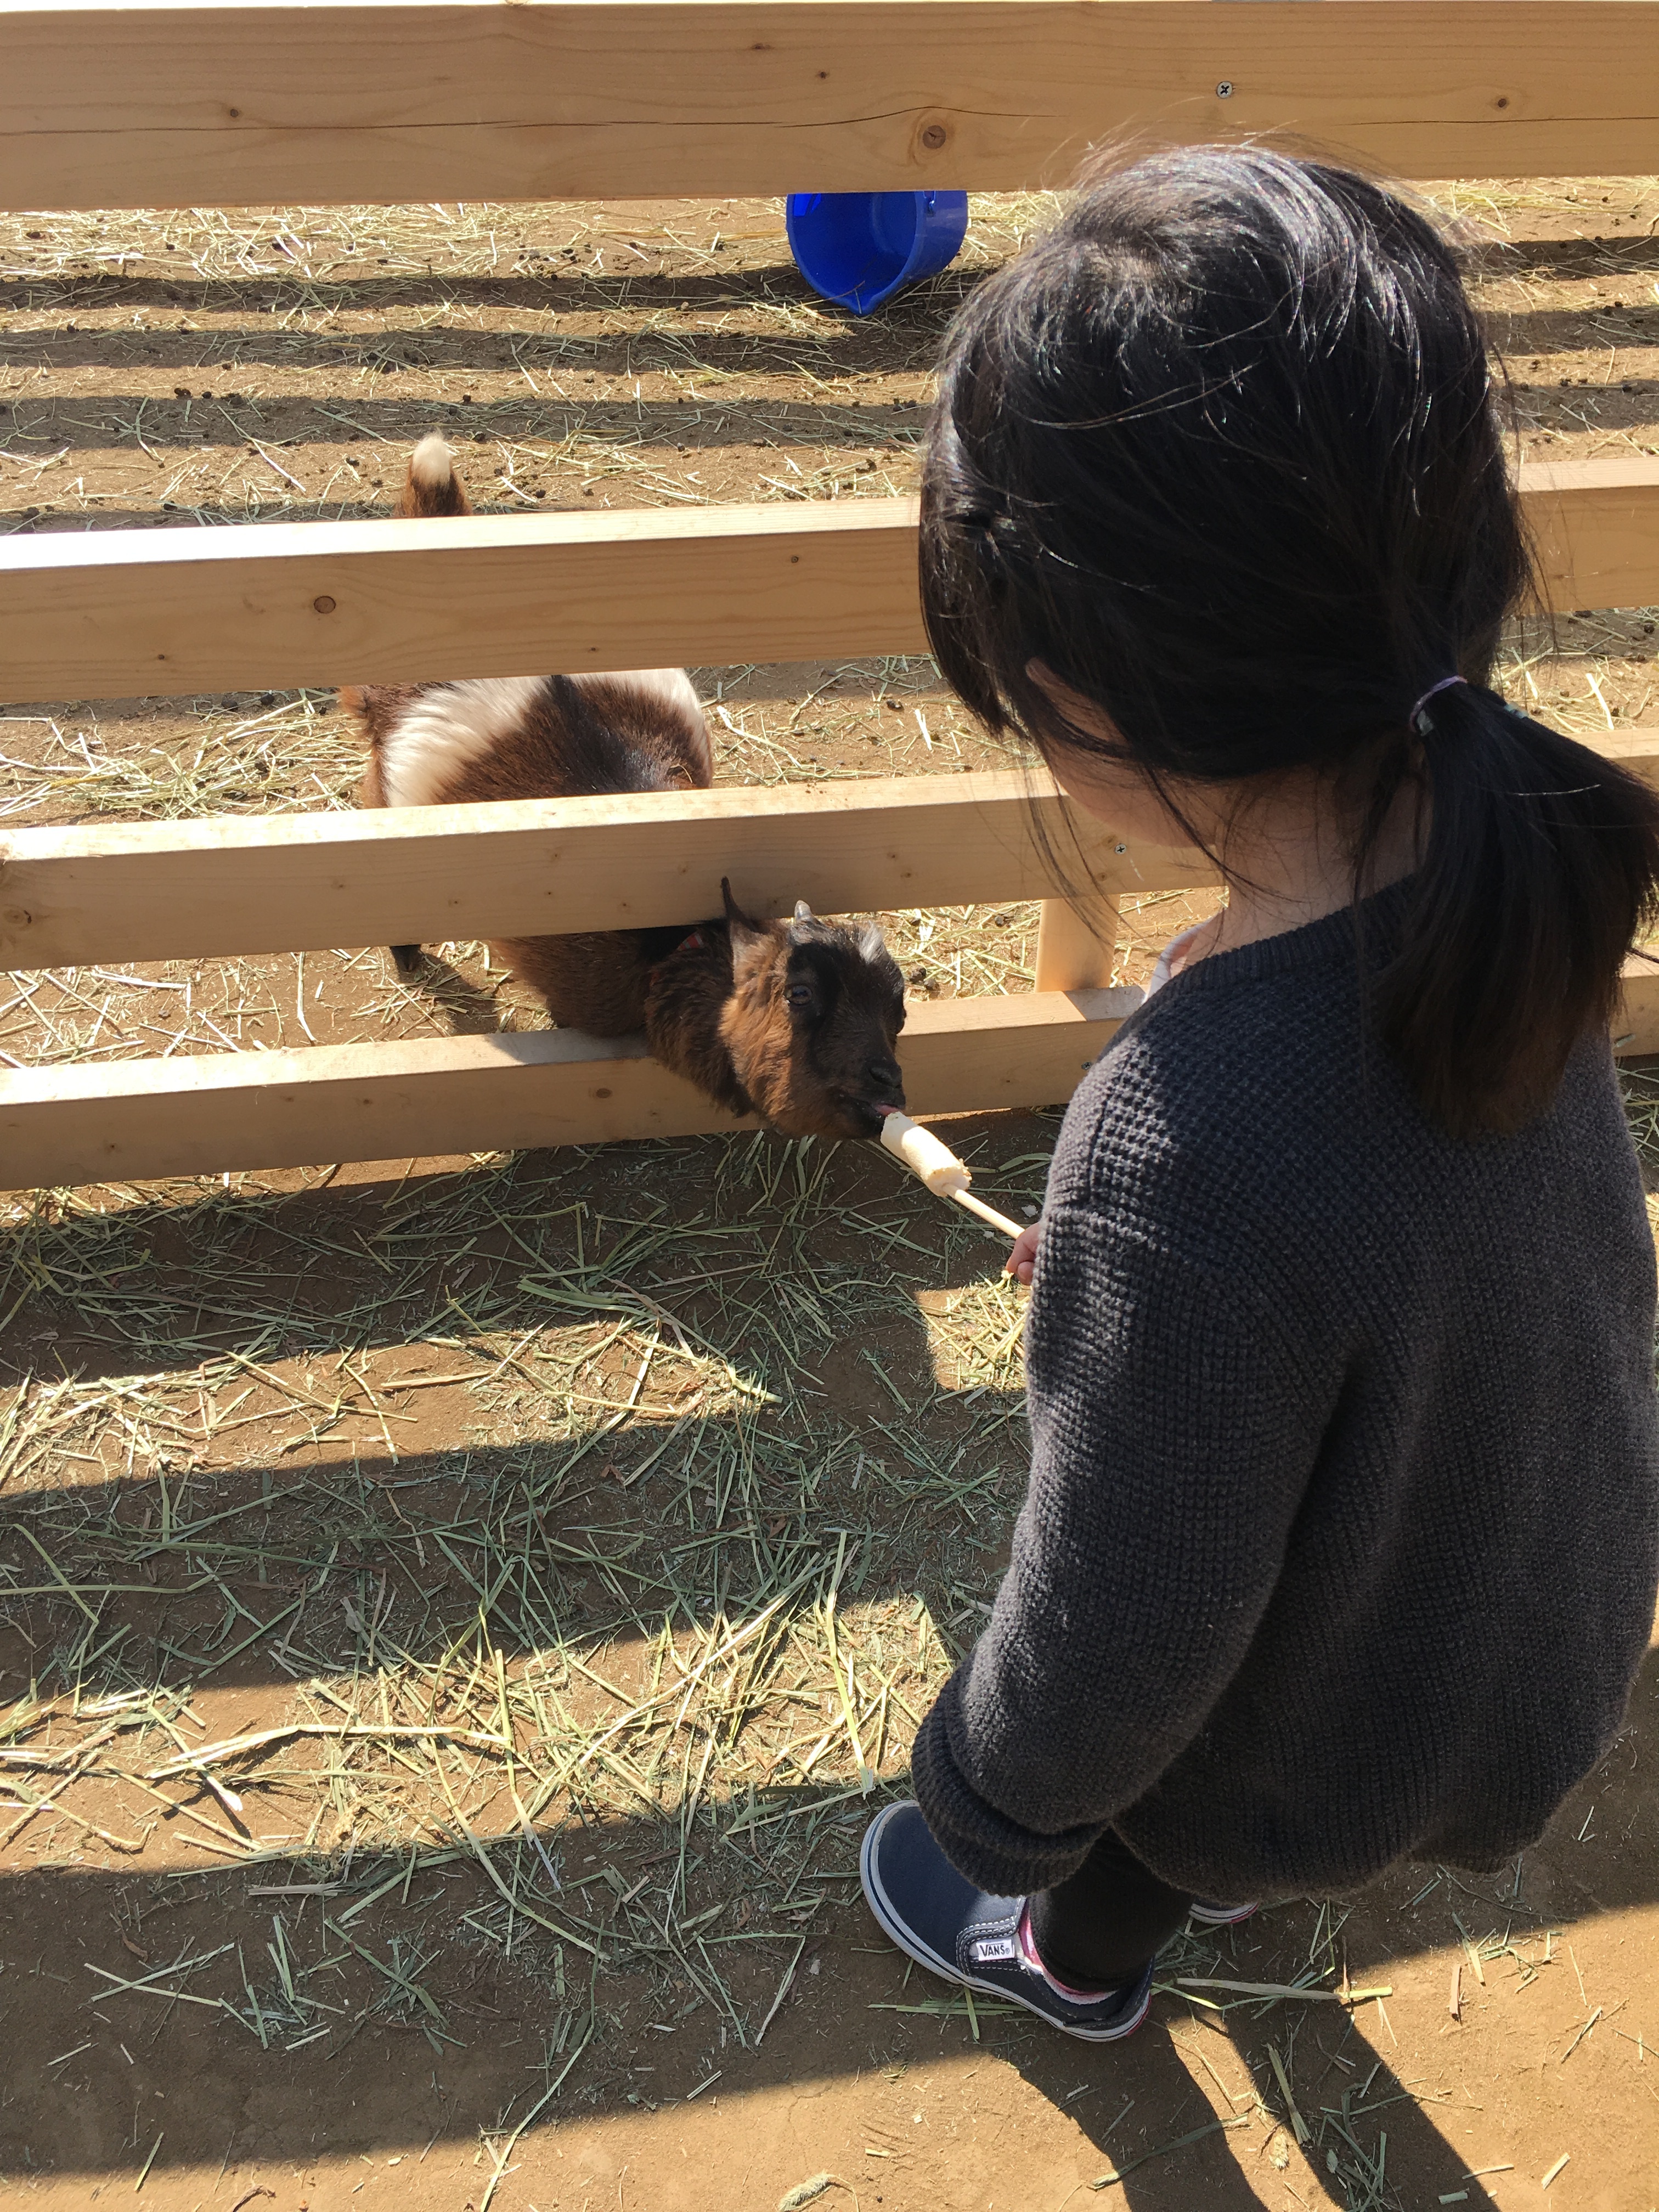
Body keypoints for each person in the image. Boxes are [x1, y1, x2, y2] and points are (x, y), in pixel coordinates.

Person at [857, 146, 1659, 2043]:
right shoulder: (1511, 846)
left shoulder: (1183, 1140)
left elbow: (1131, 1617)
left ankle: (1069, 1959)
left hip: (1330, 1742)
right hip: (1545, 1632)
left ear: (1085, 705)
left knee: (1170, 1834)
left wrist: (985, 1795)